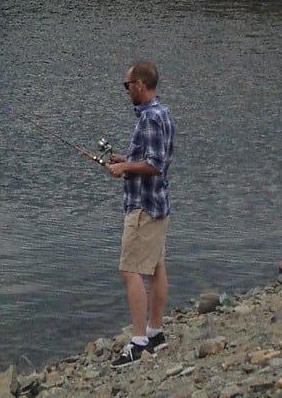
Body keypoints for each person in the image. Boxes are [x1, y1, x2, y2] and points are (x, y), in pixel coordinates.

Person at [104, 59, 173, 365]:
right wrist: (126, 157)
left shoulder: (151, 118)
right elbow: (152, 157)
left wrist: (124, 167)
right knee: (156, 267)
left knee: (129, 270)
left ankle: (138, 341)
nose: (125, 90)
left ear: (140, 85)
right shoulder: (161, 113)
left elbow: (156, 164)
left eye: (127, 85)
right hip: (158, 203)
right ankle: (155, 332)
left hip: (144, 207)